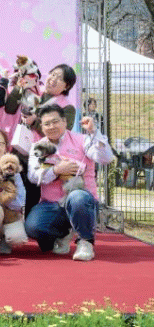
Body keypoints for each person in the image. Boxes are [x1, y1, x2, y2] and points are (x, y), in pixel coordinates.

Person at [24, 104, 114, 261]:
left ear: (65, 122)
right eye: (47, 124)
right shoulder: (37, 147)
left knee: (77, 197)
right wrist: (56, 170)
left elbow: (106, 158)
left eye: (55, 122)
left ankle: (85, 241)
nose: (51, 126)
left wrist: (94, 132)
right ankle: (64, 233)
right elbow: (32, 176)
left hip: (81, 199)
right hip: (51, 204)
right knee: (32, 227)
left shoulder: (83, 140)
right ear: (42, 127)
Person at [6, 63, 77, 133]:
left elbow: (62, 133)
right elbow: (10, 109)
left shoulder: (67, 107)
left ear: (66, 86)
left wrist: (34, 122)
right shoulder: (31, 89)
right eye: (53, 74)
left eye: (60, 78)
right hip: (16, 137)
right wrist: (18, 88)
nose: (54, 79)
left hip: (40, 141)